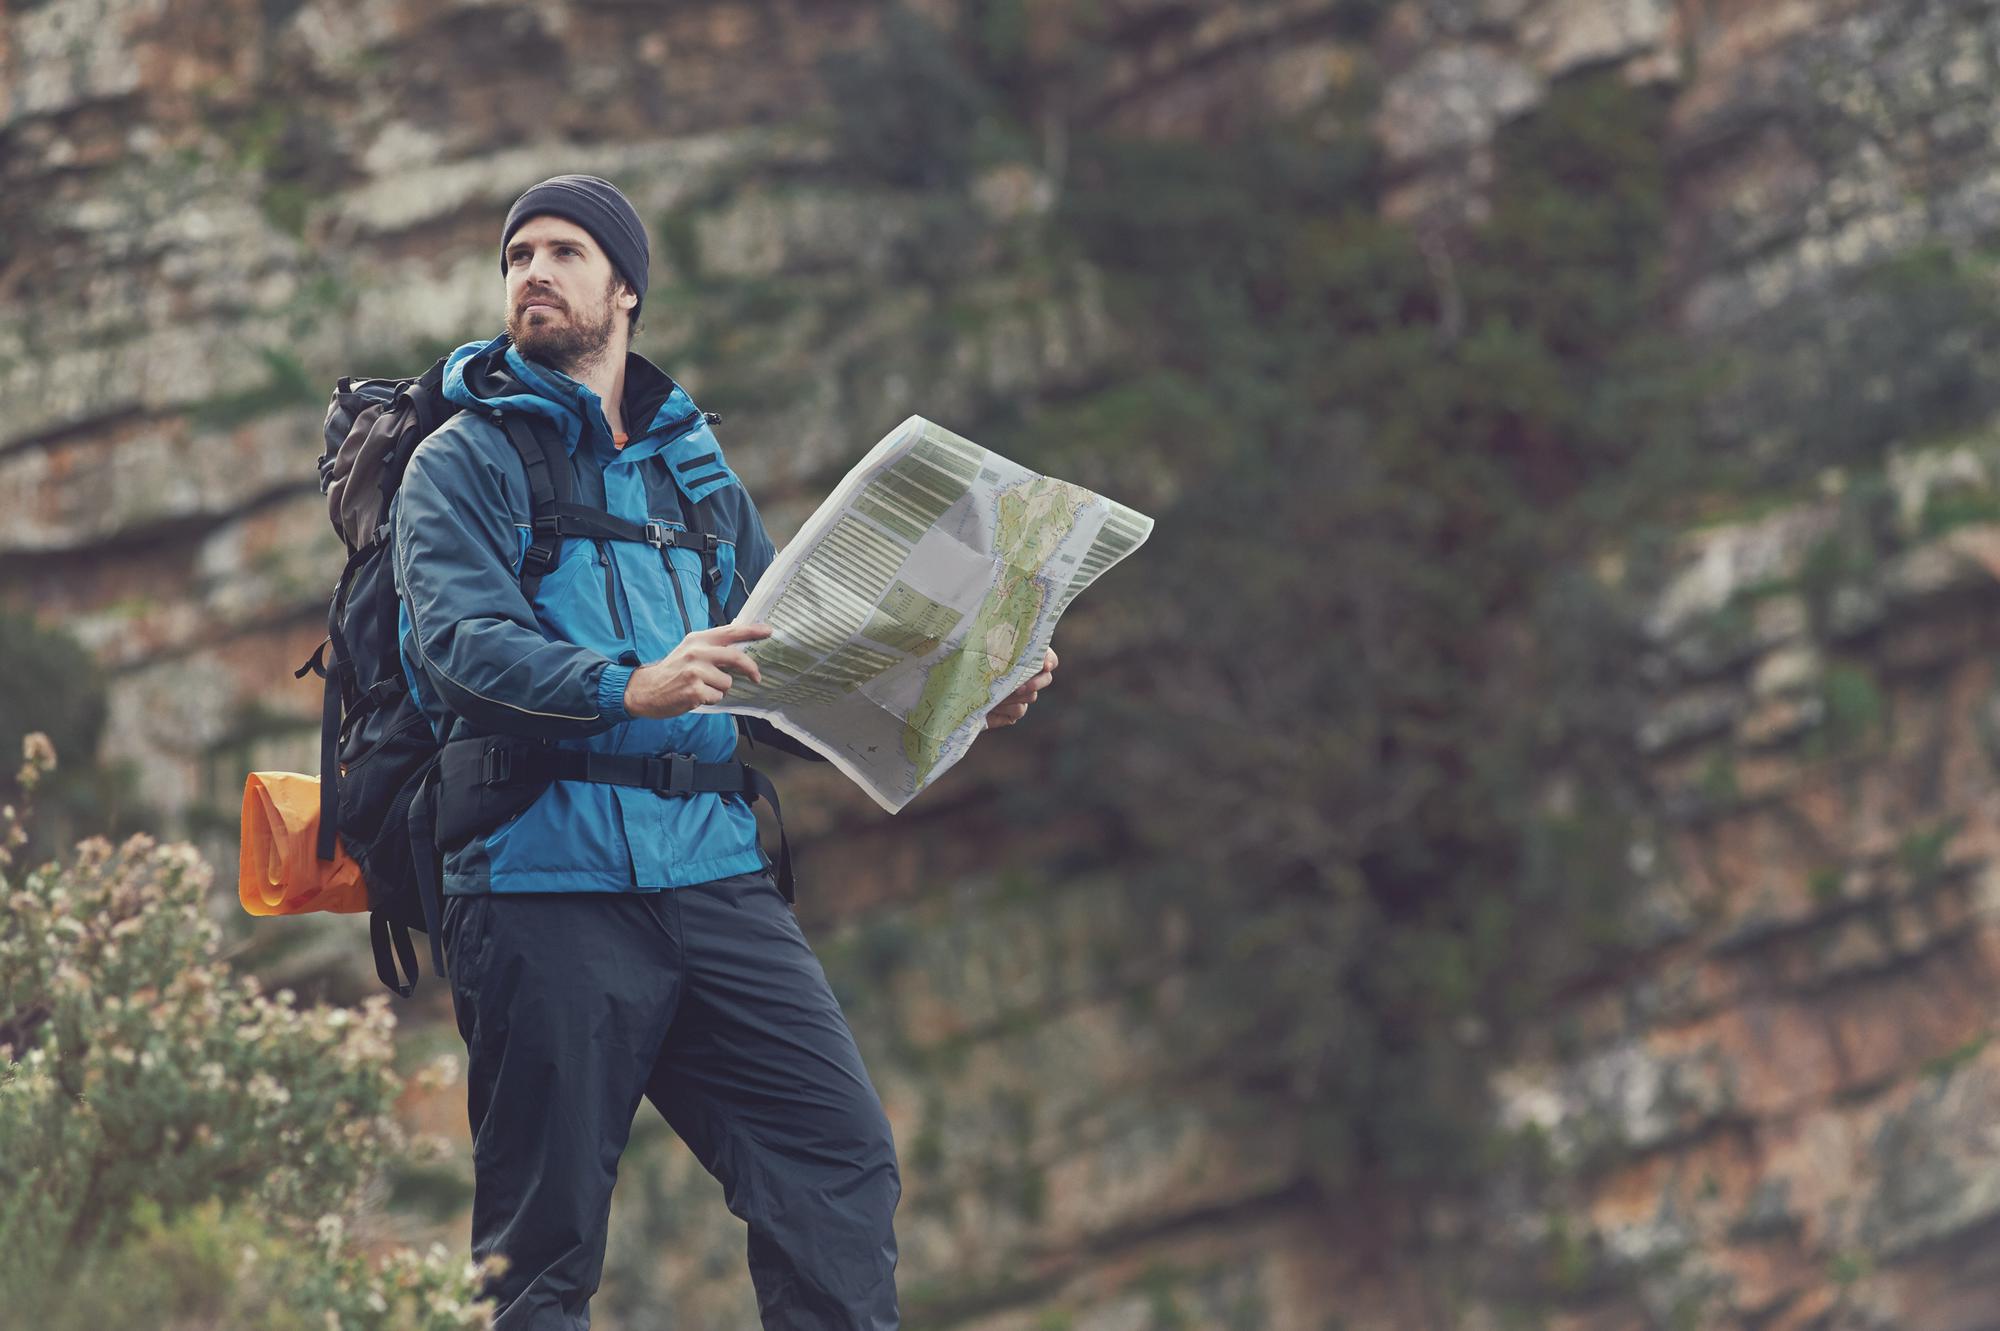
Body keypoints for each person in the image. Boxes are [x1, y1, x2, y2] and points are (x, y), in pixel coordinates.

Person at [390, 174, 1058, 1331]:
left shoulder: (691, 473)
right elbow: (459, 647)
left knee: (838, 1163)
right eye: (517, 256)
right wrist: (624, 684)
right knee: (538, 1258)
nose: (533, 273)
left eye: (563, 251)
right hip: (542, 887)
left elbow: (786, 672)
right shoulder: (461, 461)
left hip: (711, 880)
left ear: (627, 288)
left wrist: (966, 697)